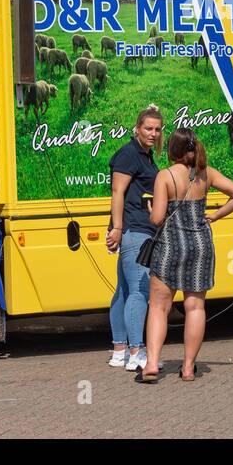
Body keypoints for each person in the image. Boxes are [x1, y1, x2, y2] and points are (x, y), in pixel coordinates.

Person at [136, 128, 233, 383]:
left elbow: (158, 218)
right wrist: (216, 215)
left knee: (159, 307)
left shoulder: (165, 176)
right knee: (195, 306)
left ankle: (151, 364)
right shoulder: (205, 174)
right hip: (200, 245)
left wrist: (151, 207)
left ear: (173, 149)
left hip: (169, 246)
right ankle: (187, 368)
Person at [105, 105, 163, 371]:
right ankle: (137, 352)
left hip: (132, 230)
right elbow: (117, 192)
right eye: (148, 128)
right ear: (137, 128)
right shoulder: (130, 154)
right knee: (139, 292)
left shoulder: (145, 156)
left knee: (125, 291)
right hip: (134, 231)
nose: (153, 133)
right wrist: (117, 228)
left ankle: (119, 351)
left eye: (157, 129)